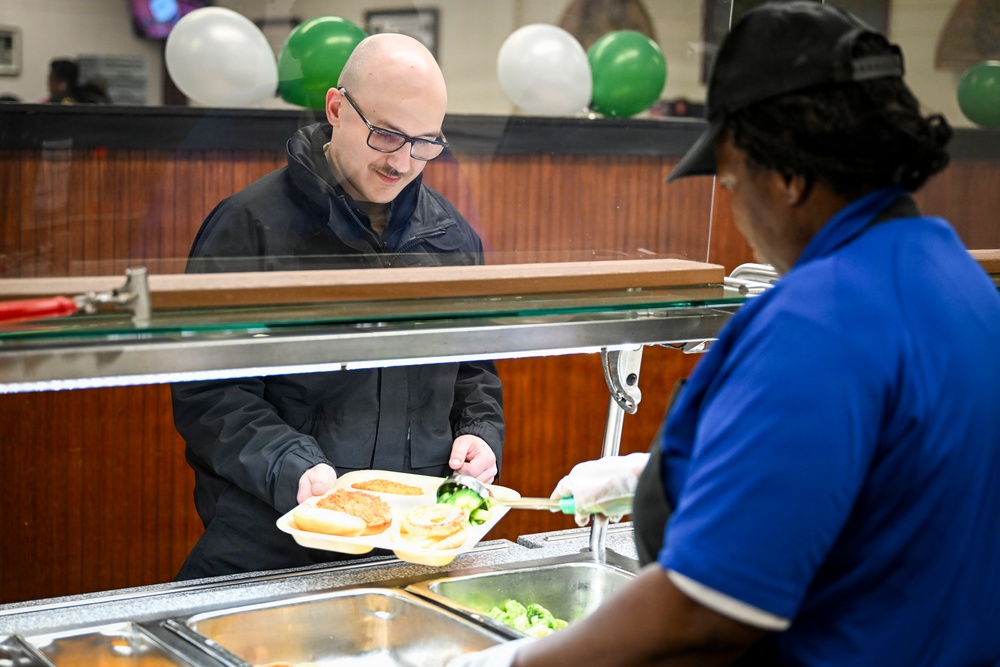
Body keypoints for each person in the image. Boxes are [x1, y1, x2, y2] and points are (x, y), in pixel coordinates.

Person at [450, 3, 1000, 666]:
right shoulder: (957, 278)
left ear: (791, 176)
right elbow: (876, 481)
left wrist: (511, 663)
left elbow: (703, 614)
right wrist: (672, 473)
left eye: (733, 181)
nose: (738, 216)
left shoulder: (820, 318)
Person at [171, 33, 504, 580]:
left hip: (411, 544)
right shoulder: (248, 226)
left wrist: (480, 434)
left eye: (425, 143)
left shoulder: (450, 237)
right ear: (335, 109)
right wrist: (291, 467)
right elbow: (211, 393)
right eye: (388, 135)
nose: (403, 161)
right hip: (271, 543)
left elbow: (474, 369)